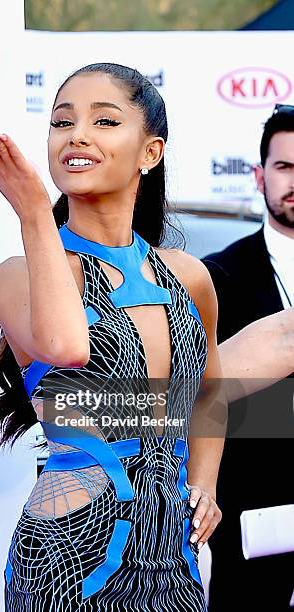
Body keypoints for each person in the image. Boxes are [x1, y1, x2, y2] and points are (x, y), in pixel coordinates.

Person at [0, 63, 225, 611]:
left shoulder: (188, 276)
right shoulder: (16, 276)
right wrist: (36, 215)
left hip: (173, 557)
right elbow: (66, 348)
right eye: (62, 122)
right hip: (67, 556)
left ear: (149, 153)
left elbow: (208, 390)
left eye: (104, 121)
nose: (77, 135)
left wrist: (204, 481)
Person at [202, 104, 294, 612]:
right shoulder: (217, 278)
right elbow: (204, 399)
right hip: (253, 524)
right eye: (284, 167)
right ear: (260, 176)